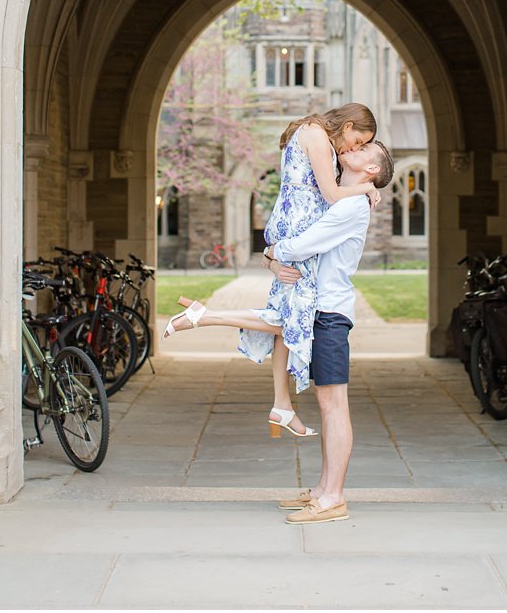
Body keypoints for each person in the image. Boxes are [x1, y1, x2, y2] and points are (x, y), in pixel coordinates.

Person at [164, 138, 394, 523]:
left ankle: (333, 497)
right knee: (289, 341)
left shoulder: (351, 205)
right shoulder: (344, 194)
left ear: (371, 169)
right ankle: (321, 490)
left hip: (330, 312)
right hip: (314, 305)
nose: (351, 148)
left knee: (333, 404)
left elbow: (300, 246)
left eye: (361, 150)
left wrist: (271, 254)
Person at [161, 103, 379, 437]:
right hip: (301, 228)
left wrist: (271, 257)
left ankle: (282, 404)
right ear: (347, 125)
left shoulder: (311, 133)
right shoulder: (318, 136)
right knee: (294, 319)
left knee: (285, 314)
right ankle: (205, 316)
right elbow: (333, 194)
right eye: (358, 140)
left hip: (294, 225)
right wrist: (367, 187)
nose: (353, 148)